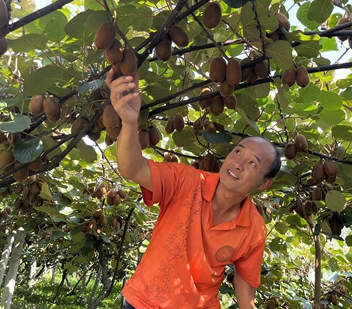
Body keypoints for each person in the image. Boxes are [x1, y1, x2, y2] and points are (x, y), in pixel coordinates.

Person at [105, 69, 281, 309]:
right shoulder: (186, 180)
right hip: (144, 301)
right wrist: (129, 122)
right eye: (237, 151)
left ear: (264, 183)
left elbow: (245, 276)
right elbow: (132, 168)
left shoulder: (254, 228)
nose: (238, 163)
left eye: (252, 163)